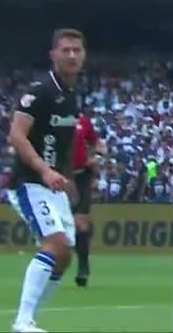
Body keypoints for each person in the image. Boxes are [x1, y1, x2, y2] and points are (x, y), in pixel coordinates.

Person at [5, 28, 86, 333]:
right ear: (53, 55)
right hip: (29, 181)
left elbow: (62, 143)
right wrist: (44, 170)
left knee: (64, 256)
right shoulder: (40, 91)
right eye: (65, 50)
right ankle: (23, 321)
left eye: (77, 50)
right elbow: (16, 134)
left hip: (55, 184)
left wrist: (69, 180)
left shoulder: (72, 96)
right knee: (55, 244)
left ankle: (29, 319)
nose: (72, 55)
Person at [71, 108, 104, 286]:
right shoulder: (53, 120)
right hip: (61, 176)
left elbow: (96, 143)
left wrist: (96, 158)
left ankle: (83, 267)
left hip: (82, 175)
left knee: (80, 221)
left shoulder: (83, 121)